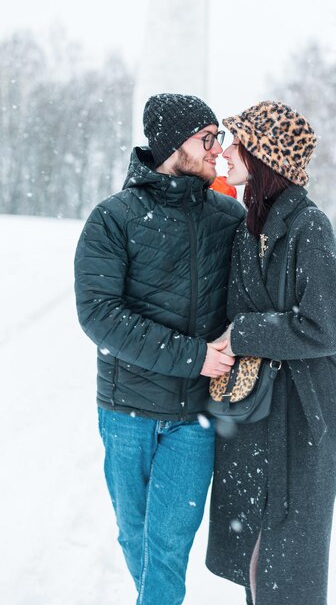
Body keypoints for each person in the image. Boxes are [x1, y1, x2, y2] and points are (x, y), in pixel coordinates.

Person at [74, 92, 245, 605]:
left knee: (166, 547)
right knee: (134, 538)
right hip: (126, 413)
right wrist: (194, 355)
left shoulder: (228, 219)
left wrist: (320, 329)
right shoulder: (114, 218)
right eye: (206, 138)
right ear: (173, 144)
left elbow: (263, 288)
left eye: (217, 138)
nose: (217, 149)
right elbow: (99, 314)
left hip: (194, 417)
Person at [205, 101, 336, 605]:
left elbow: (329, 320)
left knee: (288, 562)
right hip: (257, 410)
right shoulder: (252, 222)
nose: (225, 150)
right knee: (256, 549)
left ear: (262, 155)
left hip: (300, 416)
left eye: (235, 141)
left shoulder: (309, 225)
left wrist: (249, 333)